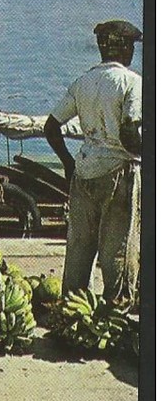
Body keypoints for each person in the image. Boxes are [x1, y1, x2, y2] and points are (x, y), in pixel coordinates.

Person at [44, 20, 142, 307]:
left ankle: (72, 310)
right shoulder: (131, 82)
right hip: (119, 173)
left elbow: (51, 127)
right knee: (117, 250)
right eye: (131, 46)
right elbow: (128, 132)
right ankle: (117, 310)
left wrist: (68, 163)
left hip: (84, 172)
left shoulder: (82, 82)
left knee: (79, 248)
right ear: (124, 48)